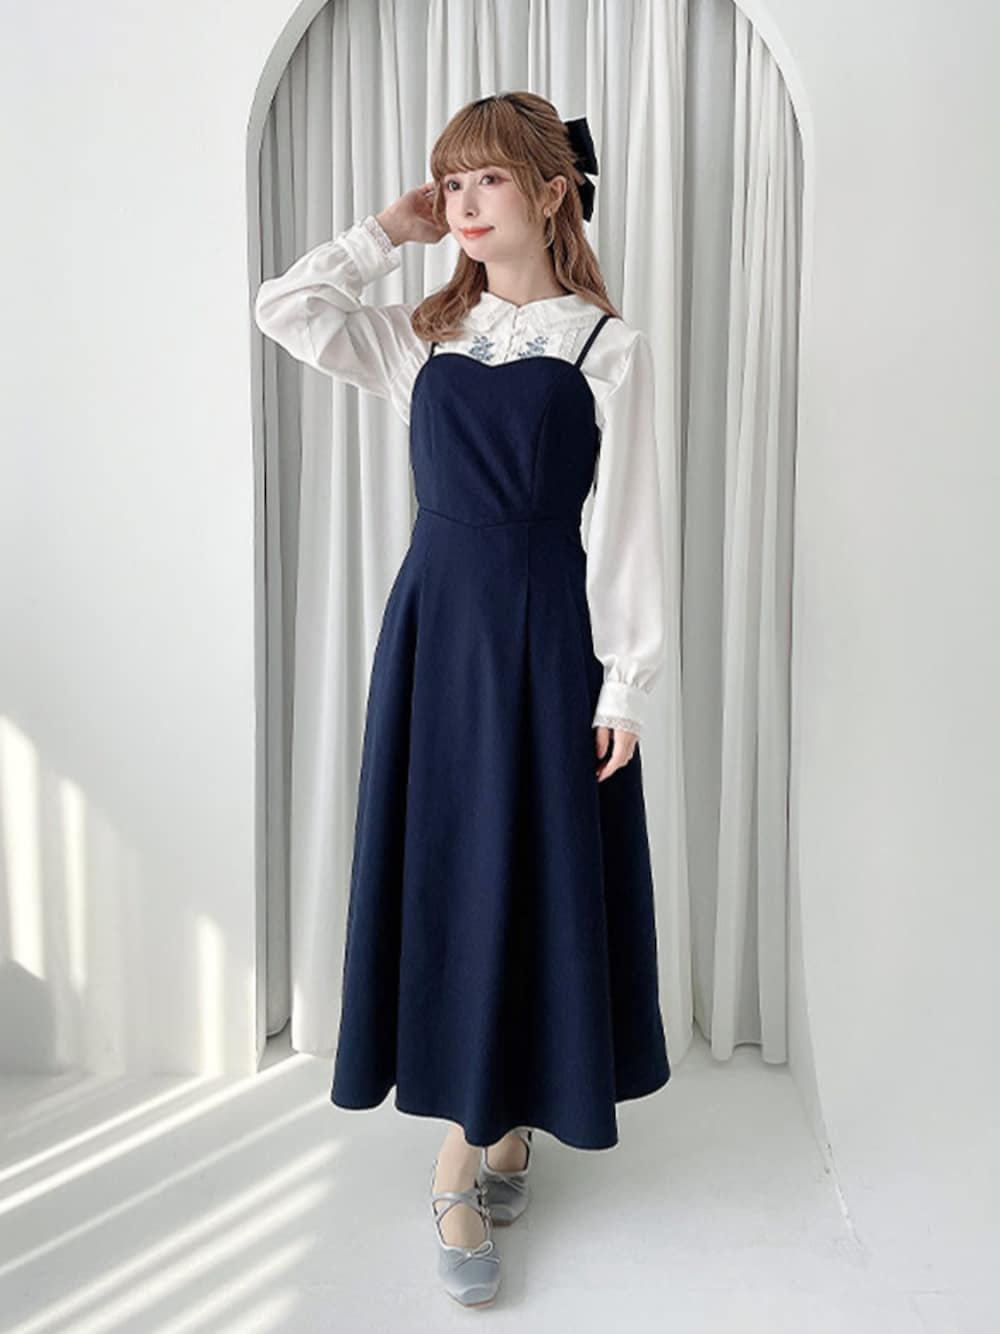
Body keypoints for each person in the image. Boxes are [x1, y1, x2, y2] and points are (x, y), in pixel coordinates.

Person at [254, 91, 671, 1308]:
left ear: (551, 190)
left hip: (544, 638)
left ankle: (485, 1135)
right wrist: (386, 232)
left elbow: (630, 524)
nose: (463, 203)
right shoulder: (425, 337)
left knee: (525, 865)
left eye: (486, 179)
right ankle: (473, 1138)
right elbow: (285, 308)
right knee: (451, 863)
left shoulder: (604, 347)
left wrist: (627, 682)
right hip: (435, 633)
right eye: (450, 182)